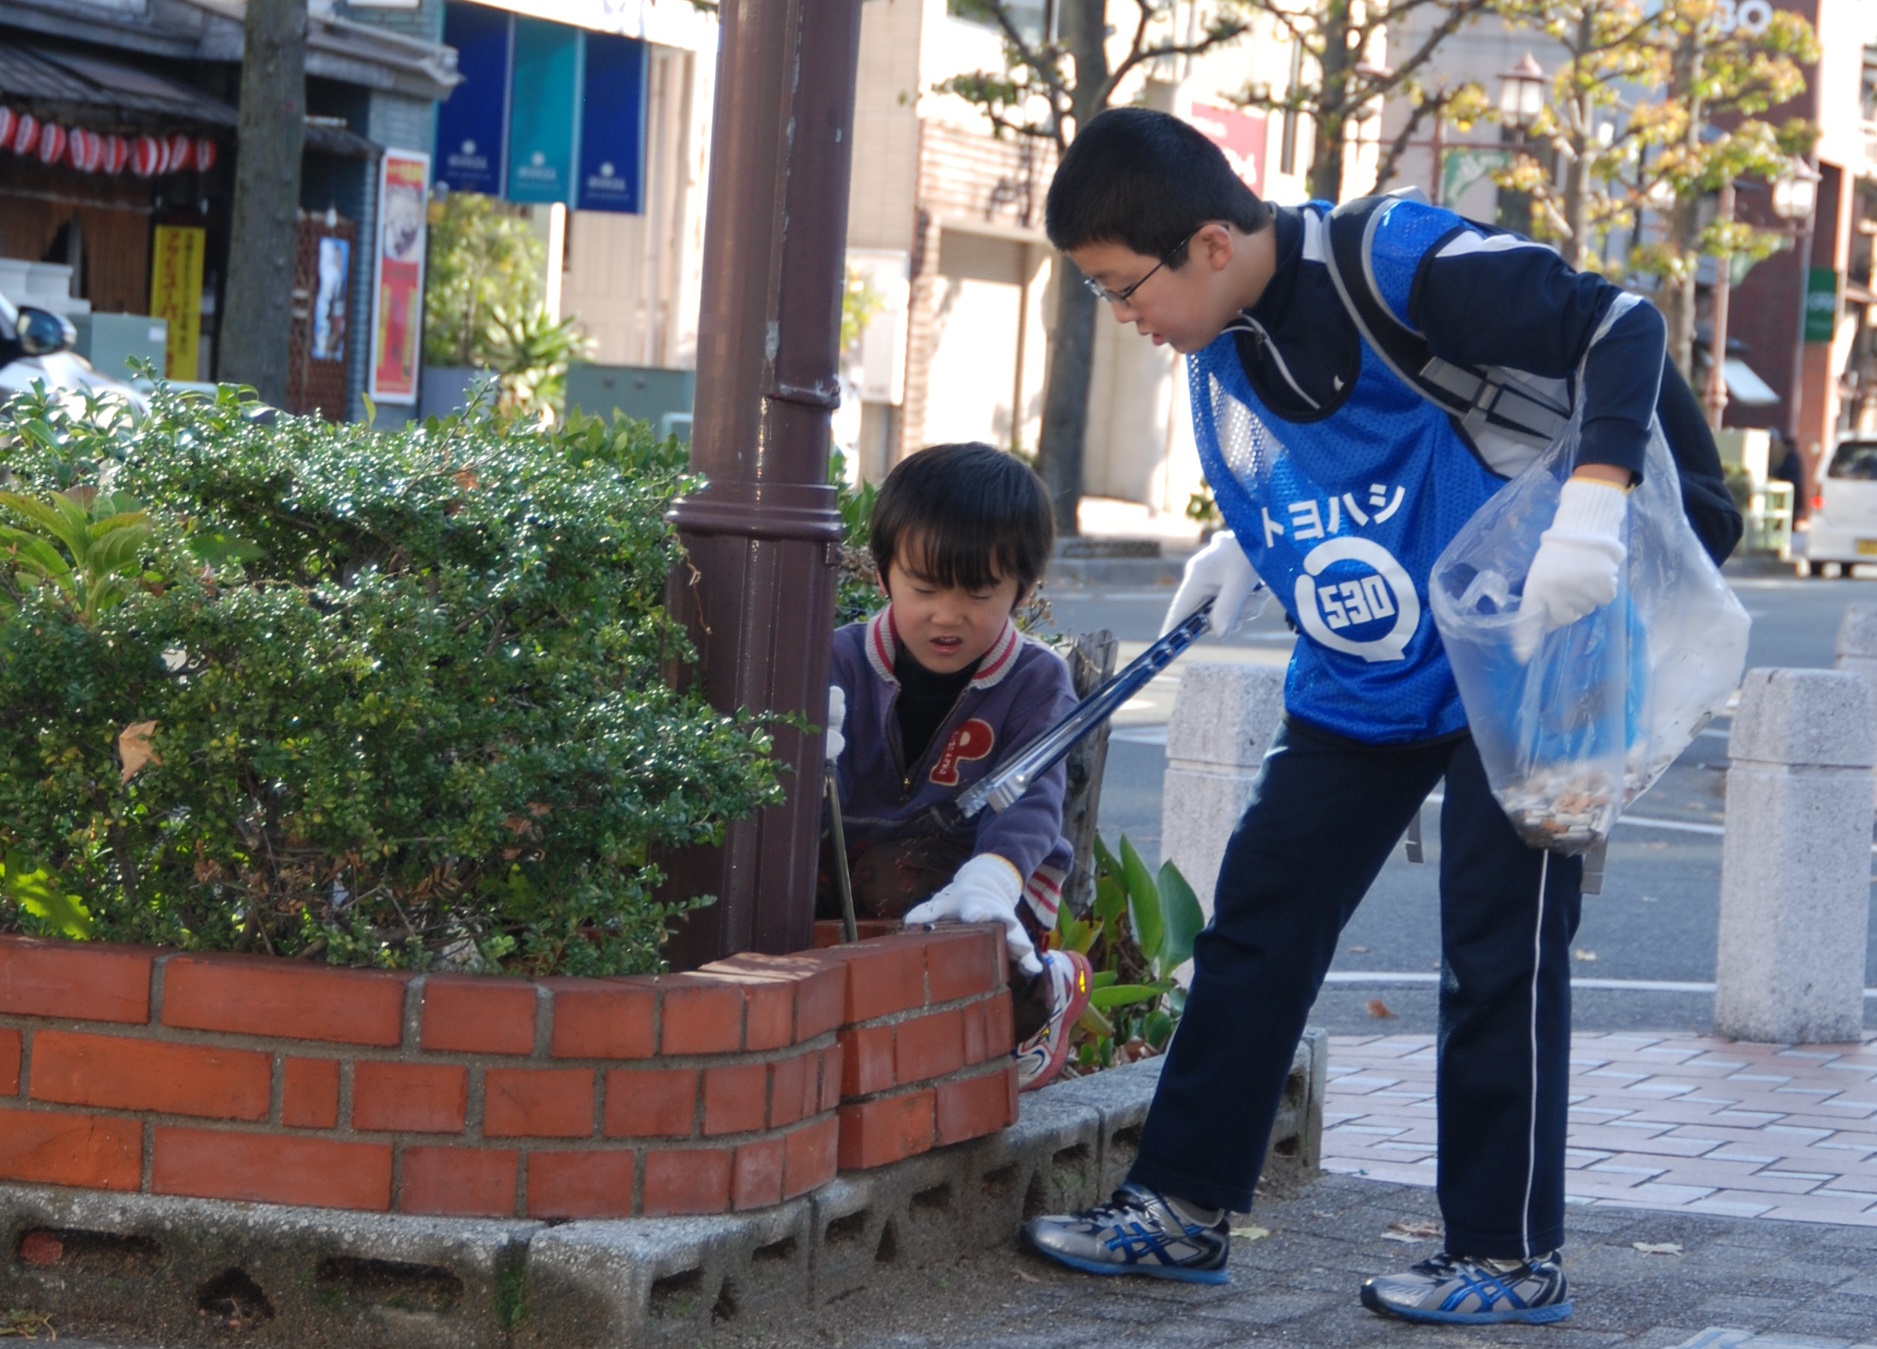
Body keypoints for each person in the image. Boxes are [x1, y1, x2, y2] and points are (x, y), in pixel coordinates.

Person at [1021, 107, 1705, 1325]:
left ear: (1212, 241)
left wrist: (1594, 508)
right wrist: (1237, 541)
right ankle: (1179, 1208)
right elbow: (1337, 462)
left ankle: (1504, 1255)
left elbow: (1619, 322)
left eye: (1122, 288)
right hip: (1372, 661)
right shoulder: (1219, 342)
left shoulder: (1394, 258)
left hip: (1533, 643)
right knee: (1257, 921)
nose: (1119, 317)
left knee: (1498, 952)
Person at [822, 442, 1092, 1092]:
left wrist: (993, 879)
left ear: (1023, 591)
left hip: (987, 866)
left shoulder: (1035, 679)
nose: (947, 614)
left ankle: (1049, 987)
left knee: (982, 963)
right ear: (883, 574)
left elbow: (1033, 799)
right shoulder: (838, 661)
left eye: (978, 592)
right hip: (853, 861)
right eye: (923, 587)